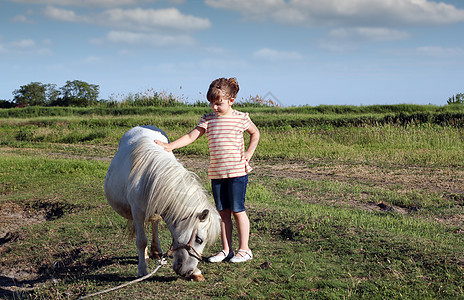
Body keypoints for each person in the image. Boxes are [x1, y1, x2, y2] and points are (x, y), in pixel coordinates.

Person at [154, 77, 260, 263]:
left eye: (218, 104)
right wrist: (170, 146)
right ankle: (226, 250)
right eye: (211, 103)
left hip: (237, 173)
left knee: (238, 210)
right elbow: (191, 136)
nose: (214, 108)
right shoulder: (208, 119)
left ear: (231, 100)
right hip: (217, 174)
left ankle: (245, 249)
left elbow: (255, 133)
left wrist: (249, 152)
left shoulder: (241, 118)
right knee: (222, 213)